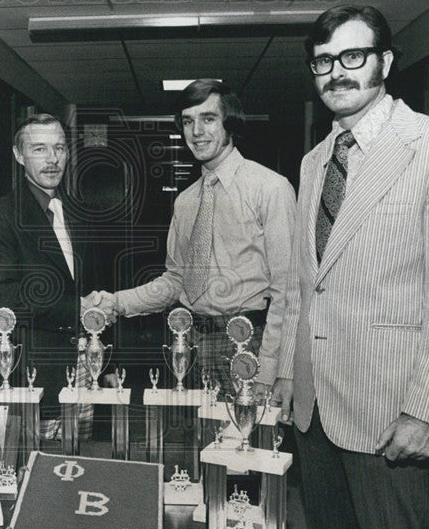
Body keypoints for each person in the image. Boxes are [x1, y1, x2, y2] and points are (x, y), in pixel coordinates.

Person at [271, 5, 429, 529]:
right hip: (315, 410)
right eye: (323, 61)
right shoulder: (315, 161)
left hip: (391, 410)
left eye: (352, 56)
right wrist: (288, 383)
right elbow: (304, 284)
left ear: (385, 62)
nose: (336, 73)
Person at [89, 79, 296, 401]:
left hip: (249, 344)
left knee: (248, 446)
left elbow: (288, 290)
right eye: (188, 121)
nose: (196, 131)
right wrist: (117, 302)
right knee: (203, 446)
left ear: (229, 124)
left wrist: (270, 370)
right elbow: (176, 280)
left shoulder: (270, 188)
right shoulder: (186, 201)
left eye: (208, 119)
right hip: (191, 346)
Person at [0, 113, 94, 440]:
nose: (53, 159)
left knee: (82, 470)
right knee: (38, 479)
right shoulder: (1, 214)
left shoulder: (78, 212)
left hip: (86, 368)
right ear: (19, 156)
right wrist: (76, 308)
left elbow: (90, 286)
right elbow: (1, 299)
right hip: (37, 376)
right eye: (39, 149)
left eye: (59, 148)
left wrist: (104, 364)